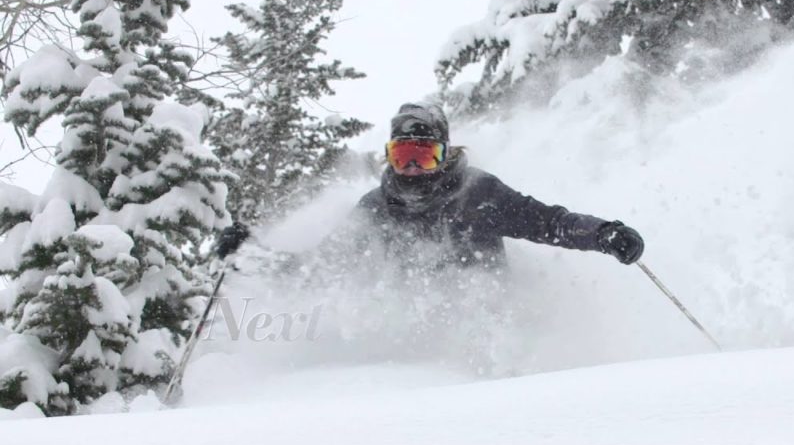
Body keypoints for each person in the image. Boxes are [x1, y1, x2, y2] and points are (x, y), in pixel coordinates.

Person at [216, 102, 644, 271]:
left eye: (424, 156)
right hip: (413, 338)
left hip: (488, 320)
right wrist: (251, 251)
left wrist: (603, 234)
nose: (413, 170)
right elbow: (318, 268)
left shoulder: (479, 195)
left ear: (445, 154)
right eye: (403, 157)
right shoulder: (377, 208)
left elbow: (548, 223)